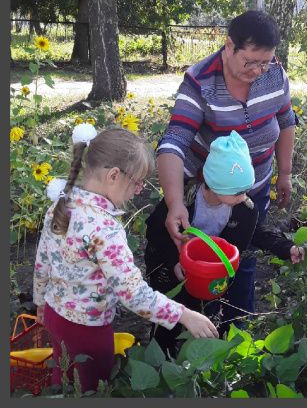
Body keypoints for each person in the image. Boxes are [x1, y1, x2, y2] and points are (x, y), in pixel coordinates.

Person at [34, 124, 217, 392]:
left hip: (54, 315)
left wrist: (40, 302)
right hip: (88, 332)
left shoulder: (62, 203)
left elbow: (42, 262)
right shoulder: (104, 229)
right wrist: (184, 314)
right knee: (90, 389)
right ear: (113, 175)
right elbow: (131, 293)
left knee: (62, 382)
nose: (140, 189)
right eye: (138, 182)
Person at [156, 10, 295, 326]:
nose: (258, 70)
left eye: (266, 62)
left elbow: (286, 121)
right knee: (198, 256)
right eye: (251, 62)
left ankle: (237, 330)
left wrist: (284, 173)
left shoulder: (275, 75)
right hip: (210, 192)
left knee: (242, 257)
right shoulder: (200, 82)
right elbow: (174, 141)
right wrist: (175, 203)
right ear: (229, 46)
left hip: (254, 185)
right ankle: (189, 328)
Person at [145, 130, 303, 356]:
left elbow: (257, 233)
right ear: (214, 184)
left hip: (210, 273)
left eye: (245, 190)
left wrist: (286, 248)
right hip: (170, 266)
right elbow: (156, 231)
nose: (243, 196)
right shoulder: (183, 199)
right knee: (168, 310)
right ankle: (160, 352)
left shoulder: (244, 209)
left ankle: (199, 360)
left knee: (206, 312)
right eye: (237, 192)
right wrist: (174, 261)